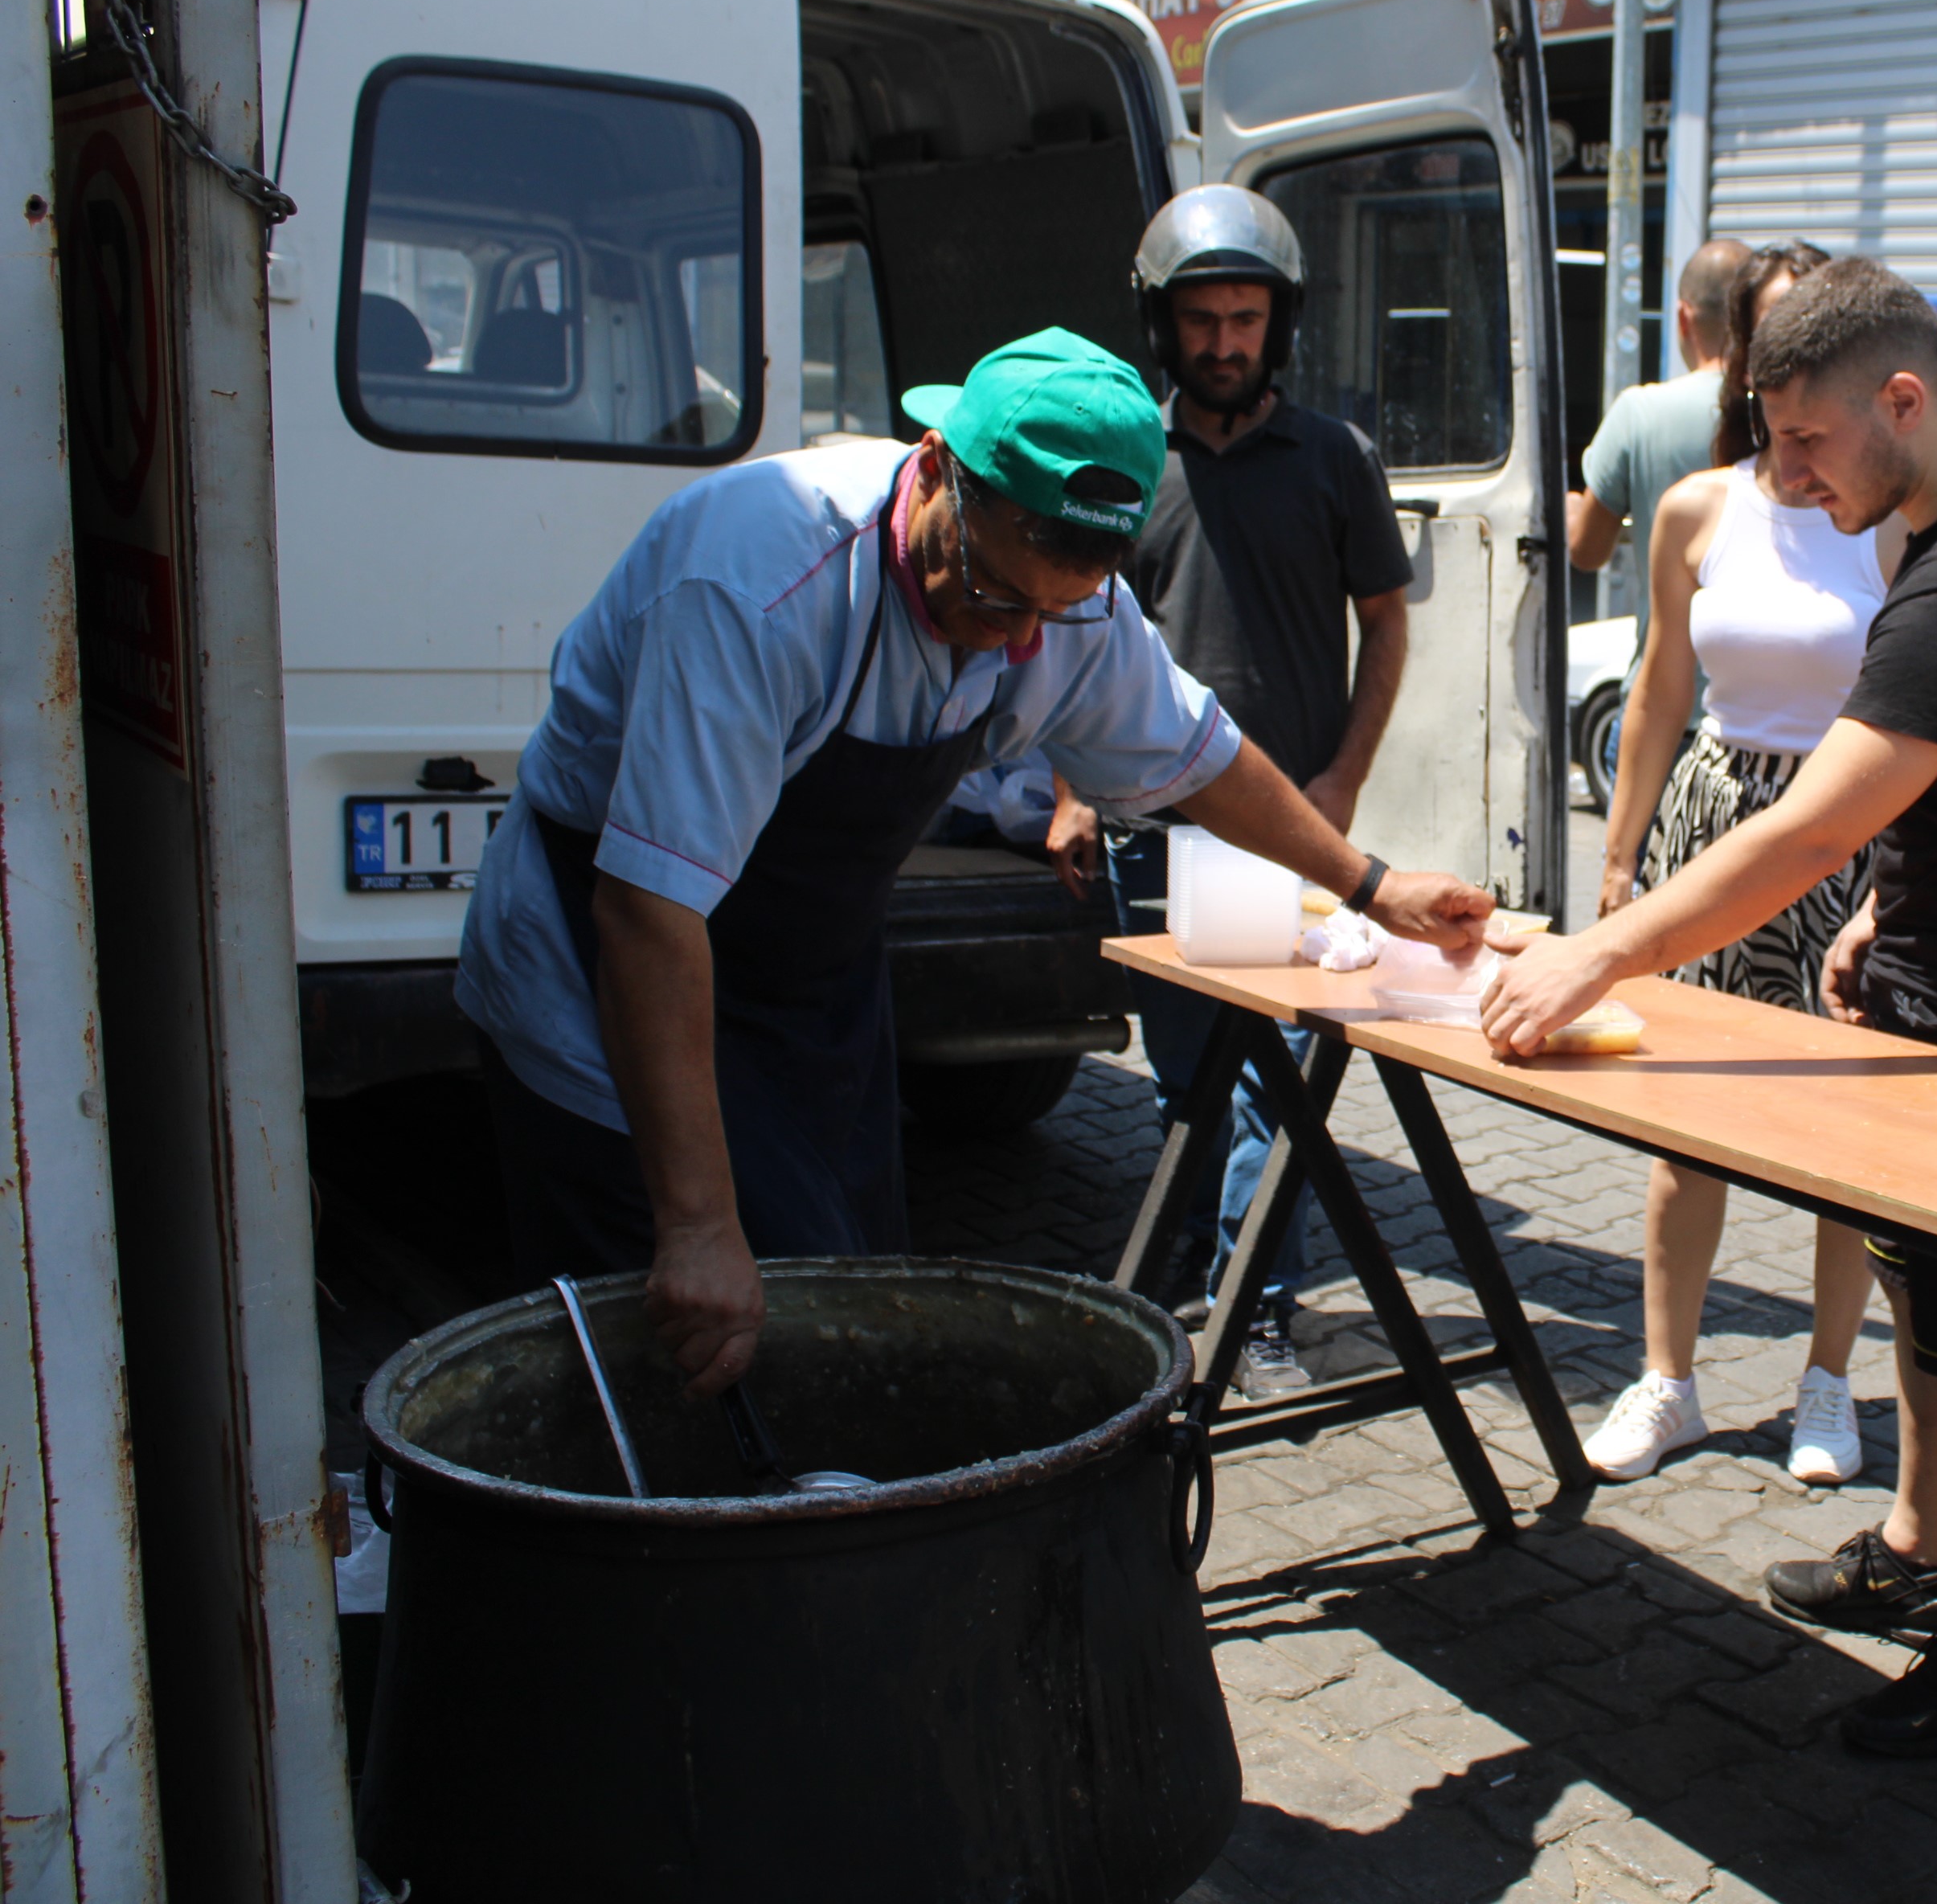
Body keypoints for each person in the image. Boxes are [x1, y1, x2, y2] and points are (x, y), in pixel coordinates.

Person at [457, 324, 1488, 1396]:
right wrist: (700, 1223)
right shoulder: (759, 581)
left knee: (838, 1312)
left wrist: (1371, 883)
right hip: (610, 971)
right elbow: (648, 912)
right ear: (939, 466)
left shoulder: (1065, 602)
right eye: (993, 596)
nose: (1014, 640)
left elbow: (1202, 760)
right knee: (665, 1356)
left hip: (806, 984)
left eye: (1053, 613)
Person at [1482, 258, 1937, 1758]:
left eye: (1804, 441)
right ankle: (1916, 1552)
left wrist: (1596, 955)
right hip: (1931, 983)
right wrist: (1890, 922)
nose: (1780, 472)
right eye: (1768, 438)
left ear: (1900, 400)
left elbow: (1802, 832)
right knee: (1932, 1312)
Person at [1051, 186, 1418, 1398]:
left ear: (1281, 322)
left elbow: (1387, 630)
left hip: (1280, 836)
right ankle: (1193, 1290)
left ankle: (1261, 1310)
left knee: (1270, 1080)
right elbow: (1070, 632)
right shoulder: (1125, 462)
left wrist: (1343, 779)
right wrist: (1069, 785)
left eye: (1245, 318)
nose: (1224, 343)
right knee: (1186, 1080)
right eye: (1202, 319)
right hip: (1153, 828)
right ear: (1163, 326)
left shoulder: (1334, 460)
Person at [1581, 244, 1886, 1488]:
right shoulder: (1701, 505)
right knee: (1684, 1122)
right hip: (1710, 823)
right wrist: (1619, 864)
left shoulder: (1894, 518)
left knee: (1846, 1136)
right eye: (1772, 351)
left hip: (1847, 830)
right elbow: (1659, 688)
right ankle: (1668, 1381)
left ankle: (1827, 1385)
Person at [1568, 236, 1762, 638]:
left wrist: (1570, 510)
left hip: (1664, 687)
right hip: (1760, 690)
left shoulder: (1638, 413)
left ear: (1682, 318)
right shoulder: (1787, 417)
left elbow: (1586, 551)